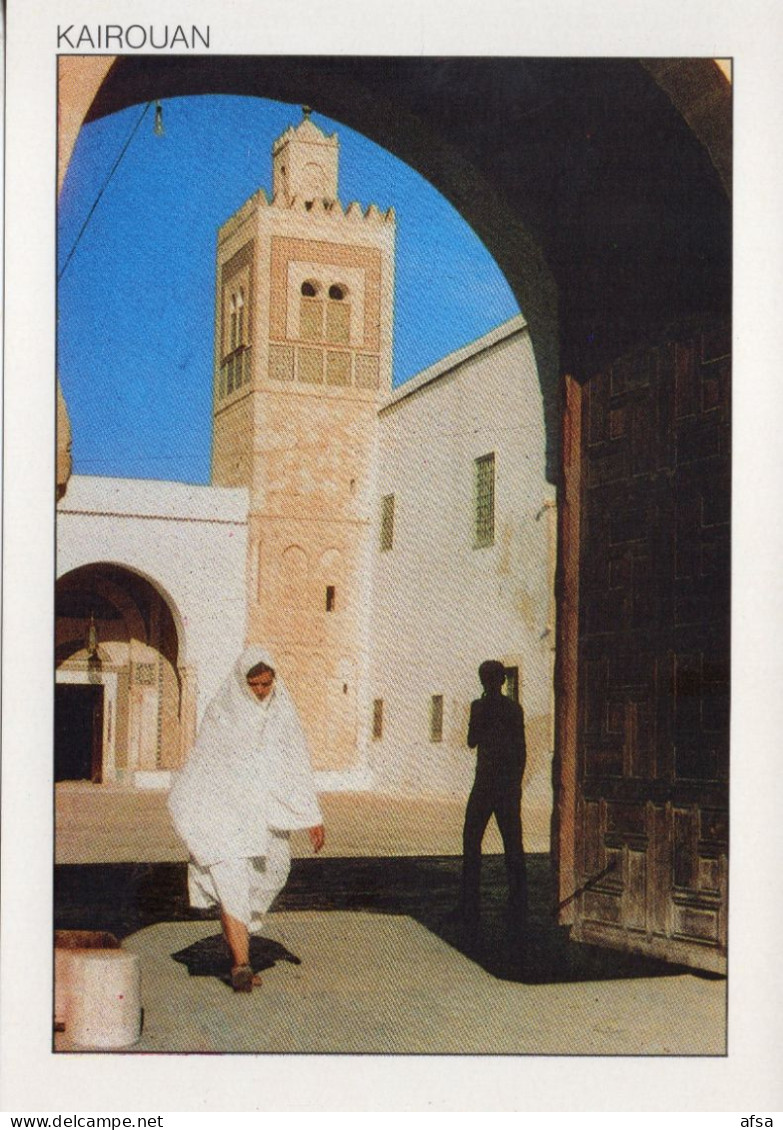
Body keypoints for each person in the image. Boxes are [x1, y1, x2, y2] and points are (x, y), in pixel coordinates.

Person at [168, 645, 325, 992]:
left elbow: (295, 763)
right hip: (225, 816)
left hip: (266, 816)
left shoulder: (283, 712)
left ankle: (238, 929)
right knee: (232, 881)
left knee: (274, 872)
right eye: (253, 684)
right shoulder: (223, 711)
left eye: (266, 684)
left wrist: (311, 815)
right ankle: (241, 963)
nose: (260, 691)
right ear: (242, 682)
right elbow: (205, 760)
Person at [461, 659, 528, 937]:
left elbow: (471, 740)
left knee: (472, 840)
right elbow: (521, 749)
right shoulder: (513, 708)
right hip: (505, 785)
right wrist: (516, 783)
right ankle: (518, 902)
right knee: (513, 844)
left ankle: (470, 904)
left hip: (487, 783)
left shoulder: (480, 707)